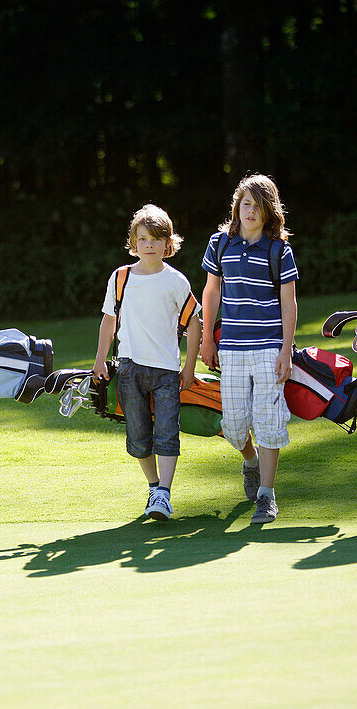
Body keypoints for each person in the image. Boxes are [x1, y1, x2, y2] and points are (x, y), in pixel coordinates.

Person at [200, 174, 298, 525]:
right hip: (232, 347)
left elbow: (289, 303)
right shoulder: (220, 243)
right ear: (236, 207)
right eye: (246, 204)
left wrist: (286, 349)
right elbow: (210, 293)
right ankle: (250, 460)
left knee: (269, 420)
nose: (251, 211)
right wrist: (207, 339)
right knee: (234, 426)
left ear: (269, 210)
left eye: (258, 205)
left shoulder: (279, 250)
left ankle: (266, 496)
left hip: (270, 347)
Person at [92, 205, 201, 521]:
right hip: (128, 367)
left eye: (156, 238)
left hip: (167, 370)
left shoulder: (176, 281)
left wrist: (190, 367)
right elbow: (109, 320)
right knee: (138, 436)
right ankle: (154, 487)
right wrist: (100, 360)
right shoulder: (121, 277)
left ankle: (163, 494)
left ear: (168, 243)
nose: (149, 245)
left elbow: (195, 322)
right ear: (133, 242)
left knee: (167, 432)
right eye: (142, 239)